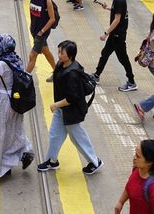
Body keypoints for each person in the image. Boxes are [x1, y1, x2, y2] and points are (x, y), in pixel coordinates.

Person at [36, 41, 103, 175]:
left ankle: (95, 162)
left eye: (62, 52)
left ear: (70, 56)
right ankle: (52, 160)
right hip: (63, 110)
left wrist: (56, 105)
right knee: (55, 134)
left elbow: (72, 98)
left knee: (78, 137)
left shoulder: (73, 74)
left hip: (71, 112)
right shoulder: (62, 65)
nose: (59, 54)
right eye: (59, 51)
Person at [0, 34, 35, 177]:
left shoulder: (1, 63)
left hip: (4, 101)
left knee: (1, 132)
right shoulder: (16, 59)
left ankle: (3, 166)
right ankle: (25, 150)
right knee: (15, 129)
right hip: (16, 100)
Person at [92, 0, 137, 91]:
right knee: (105, 53)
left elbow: (117, 19)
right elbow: (119, 13)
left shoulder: (120, 0)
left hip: (118, 35)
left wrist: (105, 33)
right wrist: (108, 8)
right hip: (115, 34)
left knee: (123, 59)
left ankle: (131, 82)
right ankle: (96, 75)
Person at [114, 139, 154, 214]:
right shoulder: (137, 169)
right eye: (135, 153)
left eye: (138, 156)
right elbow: (129, 186)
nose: (134, 158)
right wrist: (120, 202)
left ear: (149, 162)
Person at [25, 0, 57, 78]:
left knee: (32, 55)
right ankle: (57, 72)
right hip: (34, 30)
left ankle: (24, 78)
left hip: (41, 33)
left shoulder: (47, 0)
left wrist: (42, 31)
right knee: (46, 51)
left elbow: (52, 19)